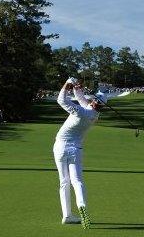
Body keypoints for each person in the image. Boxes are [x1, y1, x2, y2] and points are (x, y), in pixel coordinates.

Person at [53, 78, 105, 229]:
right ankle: (82, 206)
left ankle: (67, 215)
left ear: (94, 102)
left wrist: (67, 85)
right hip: (76, 149)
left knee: (64, 182)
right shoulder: (94, 115)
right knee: (77, 181)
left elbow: (61, 100)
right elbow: (83, 101)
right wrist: (77, 89)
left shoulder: (80, 111)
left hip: (60, 148)